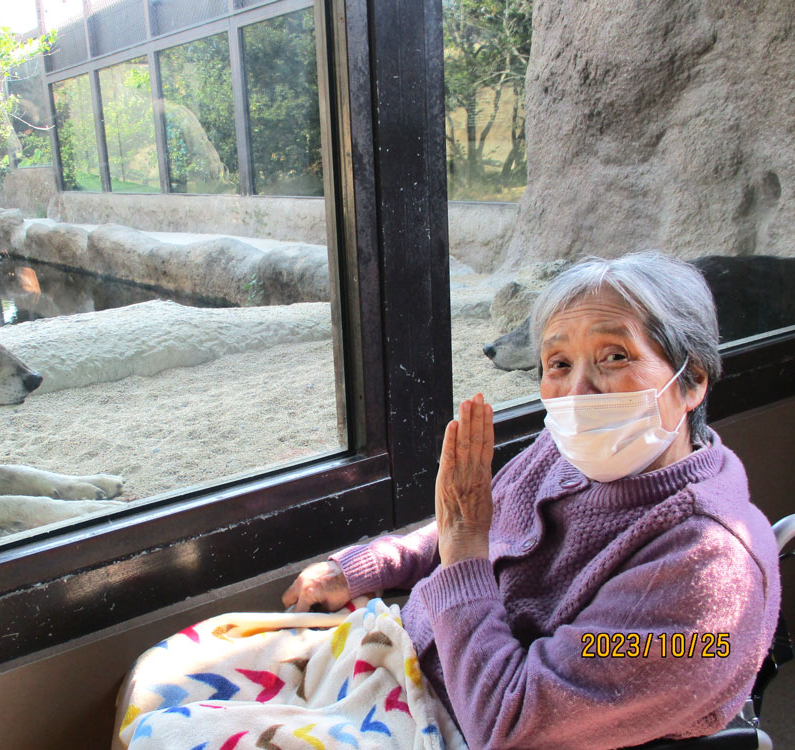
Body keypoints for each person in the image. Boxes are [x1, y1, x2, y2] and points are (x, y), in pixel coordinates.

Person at [283, 252, 781, 749]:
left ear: (692, 380)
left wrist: (462, 545)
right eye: (559, 364)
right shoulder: (572, 451)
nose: (577, 394)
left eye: (614, 356)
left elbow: (511, 724)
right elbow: (476, 525)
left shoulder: (705, 573)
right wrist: (363, 566)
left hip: (448, 724)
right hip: (398, 666)